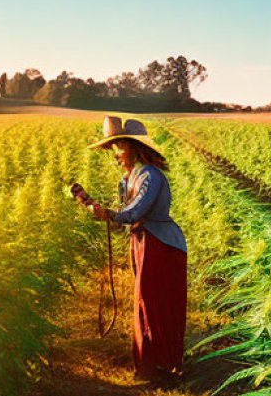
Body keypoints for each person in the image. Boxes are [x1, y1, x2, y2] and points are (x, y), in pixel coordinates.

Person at [74, 116, 187, 379]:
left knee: (156, 302)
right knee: (145, 301)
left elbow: (134, 212)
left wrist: (109, 214)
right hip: (142, 242)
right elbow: (123, 218)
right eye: (112, 148)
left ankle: (160, 365)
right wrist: (95, 207)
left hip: (161, 245)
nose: (115, 154)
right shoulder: (127, 180)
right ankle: (148, 364)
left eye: (119, 147)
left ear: (134, 148)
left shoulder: (150, 175)